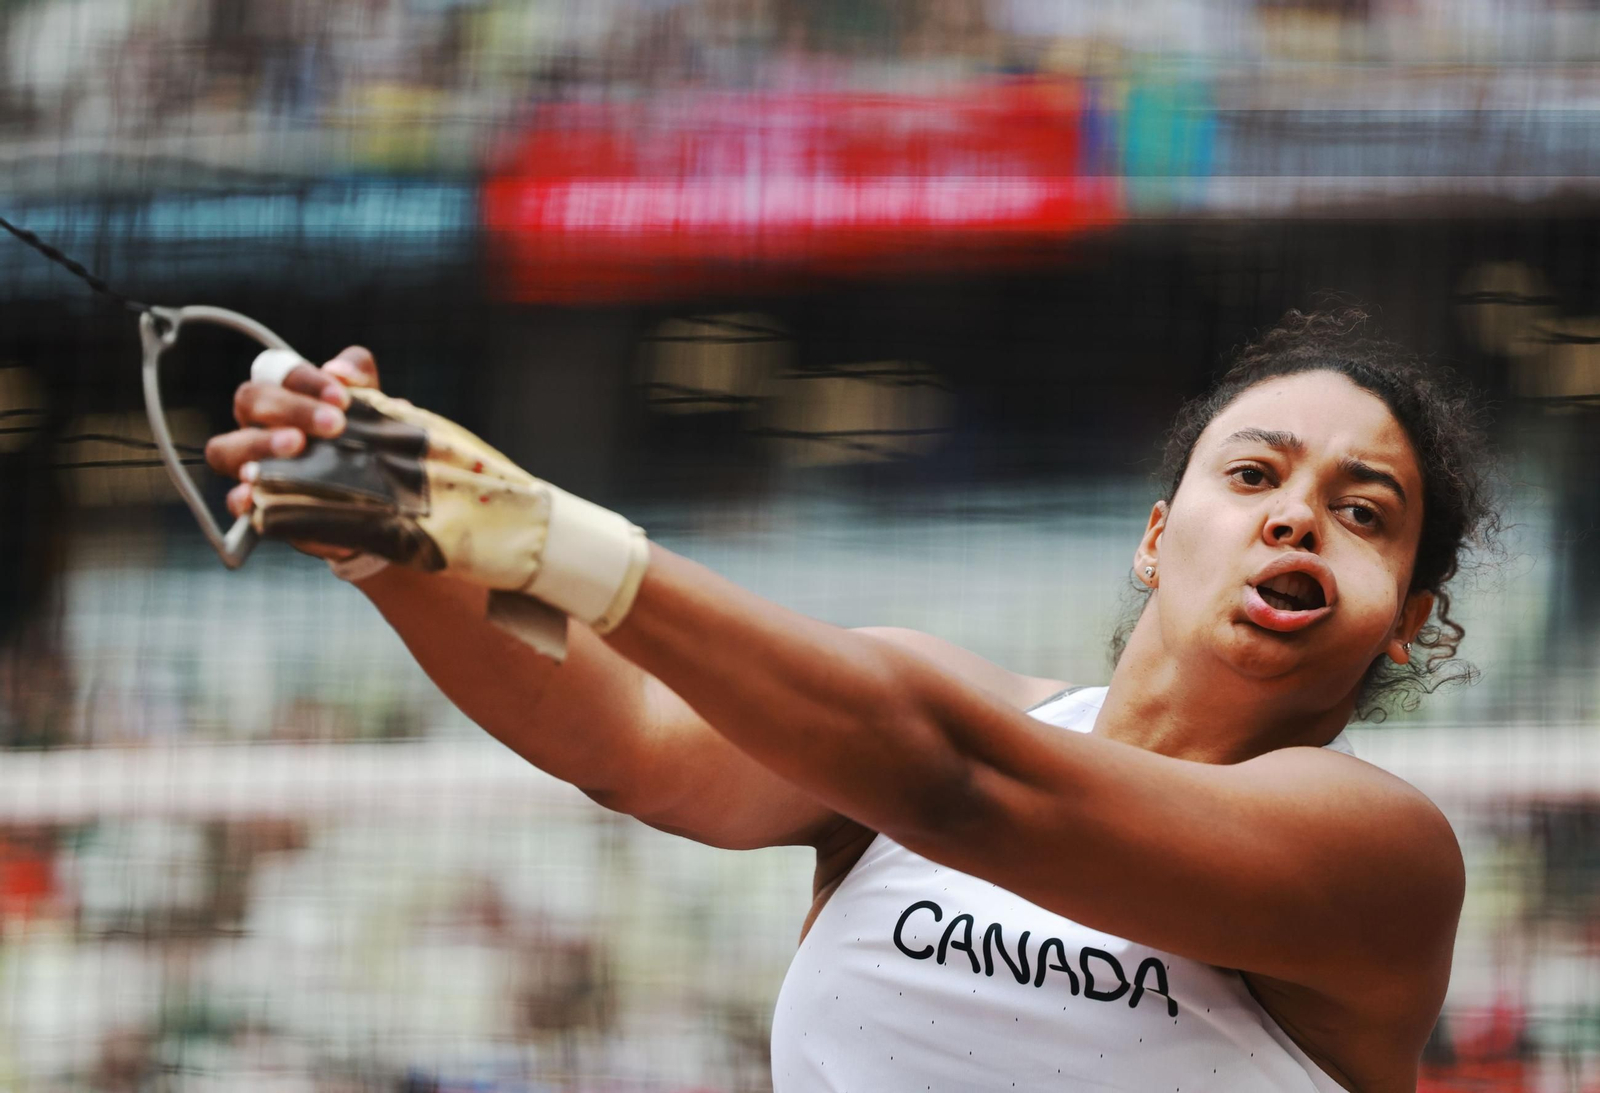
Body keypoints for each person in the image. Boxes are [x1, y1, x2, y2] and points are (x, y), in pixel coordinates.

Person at [205, 308, 1495, 1092]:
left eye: (1361, 513)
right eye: (1255, 472)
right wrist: (393, 540)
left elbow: (965, 790)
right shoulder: (935, 702)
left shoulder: (1382, 856)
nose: (1294, 518)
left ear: (1408, 628)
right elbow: (625, 730)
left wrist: (541, 535)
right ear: (1157, 538)